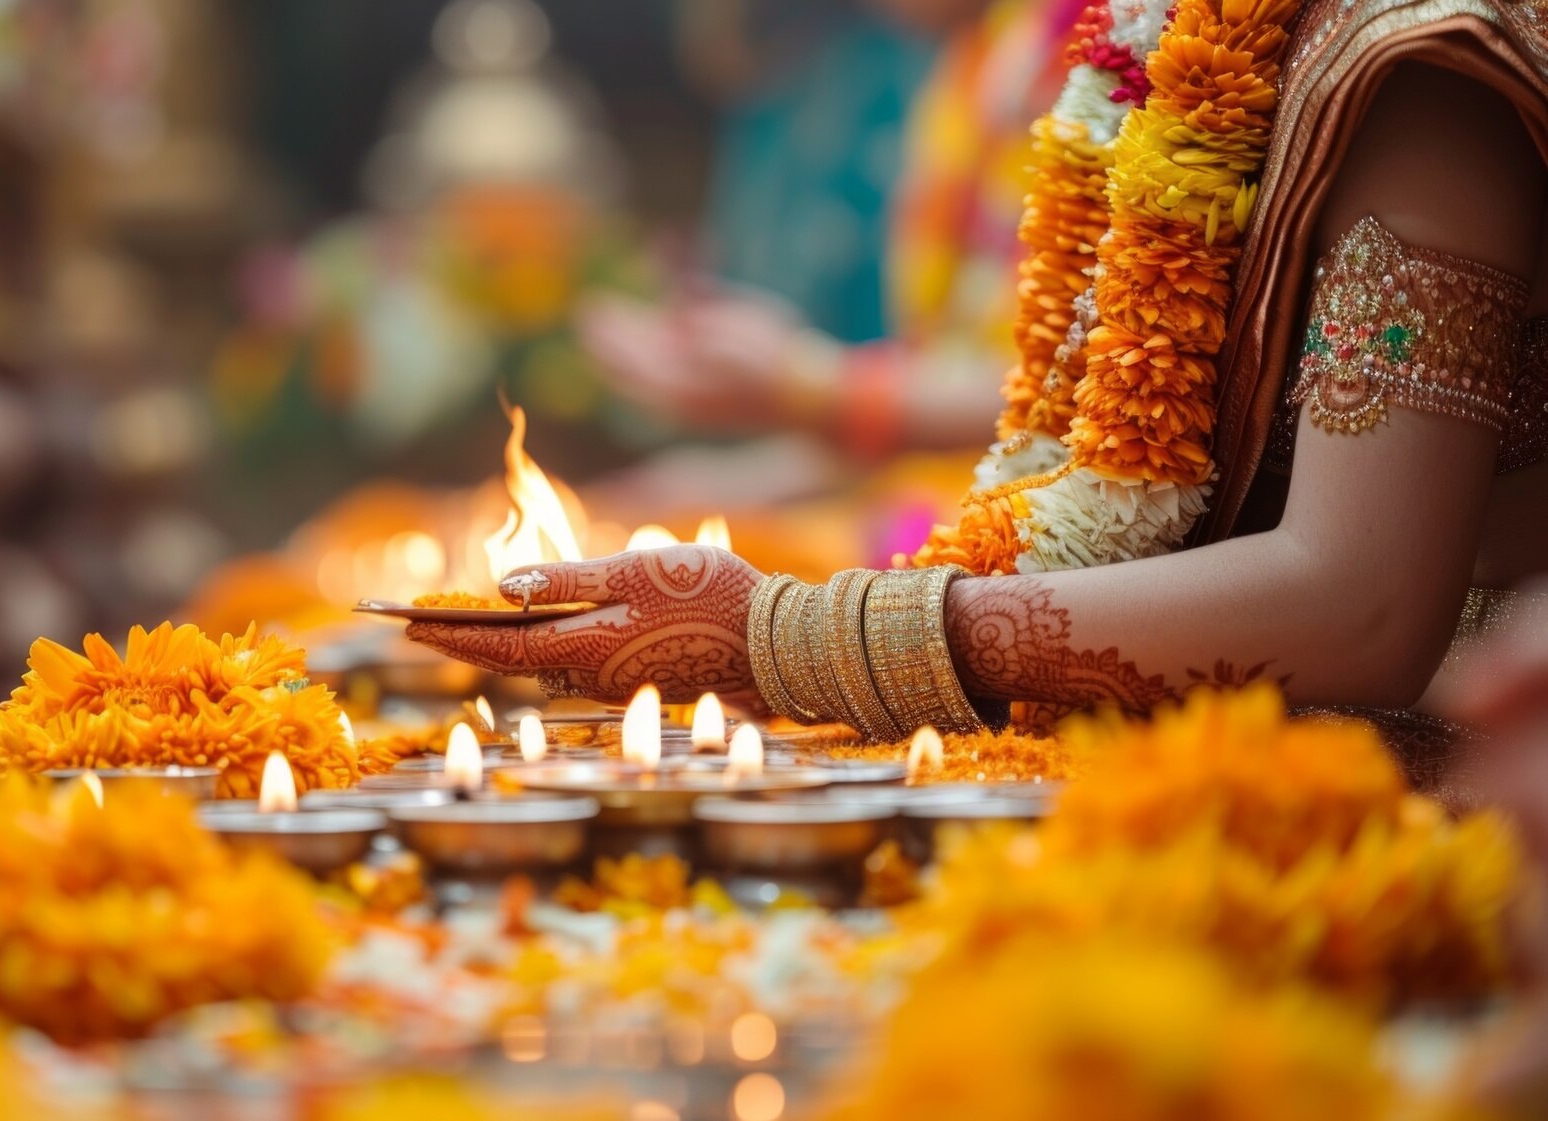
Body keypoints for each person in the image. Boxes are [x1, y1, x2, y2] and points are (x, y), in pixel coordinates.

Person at [407, 0, 1548, 768]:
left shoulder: (1408, 68)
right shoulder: (1135, 49)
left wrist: (787, 634)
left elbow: (1362, 602)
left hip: (1448, 802)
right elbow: (1065, 431)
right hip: (1186, 747)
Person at [582, 0, 1076, 461]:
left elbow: (1069, 391)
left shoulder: (1091, 45)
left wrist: (806, 385)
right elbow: (938, 378)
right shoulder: (972, 59)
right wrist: (734, 477)